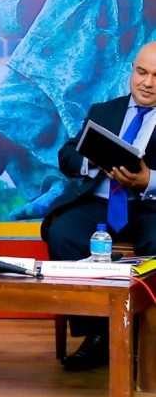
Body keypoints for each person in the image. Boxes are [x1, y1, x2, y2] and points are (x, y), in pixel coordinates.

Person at [42, 40, 156, 371]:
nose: (147, 83)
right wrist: (91, 158)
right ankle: (97, 334)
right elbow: (67, 155)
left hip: (150, 208)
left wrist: (148, 180)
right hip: (100, 202)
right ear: (131, 71)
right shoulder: (104, 111)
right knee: (63, 233)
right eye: (142, 72)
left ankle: (146, 338)